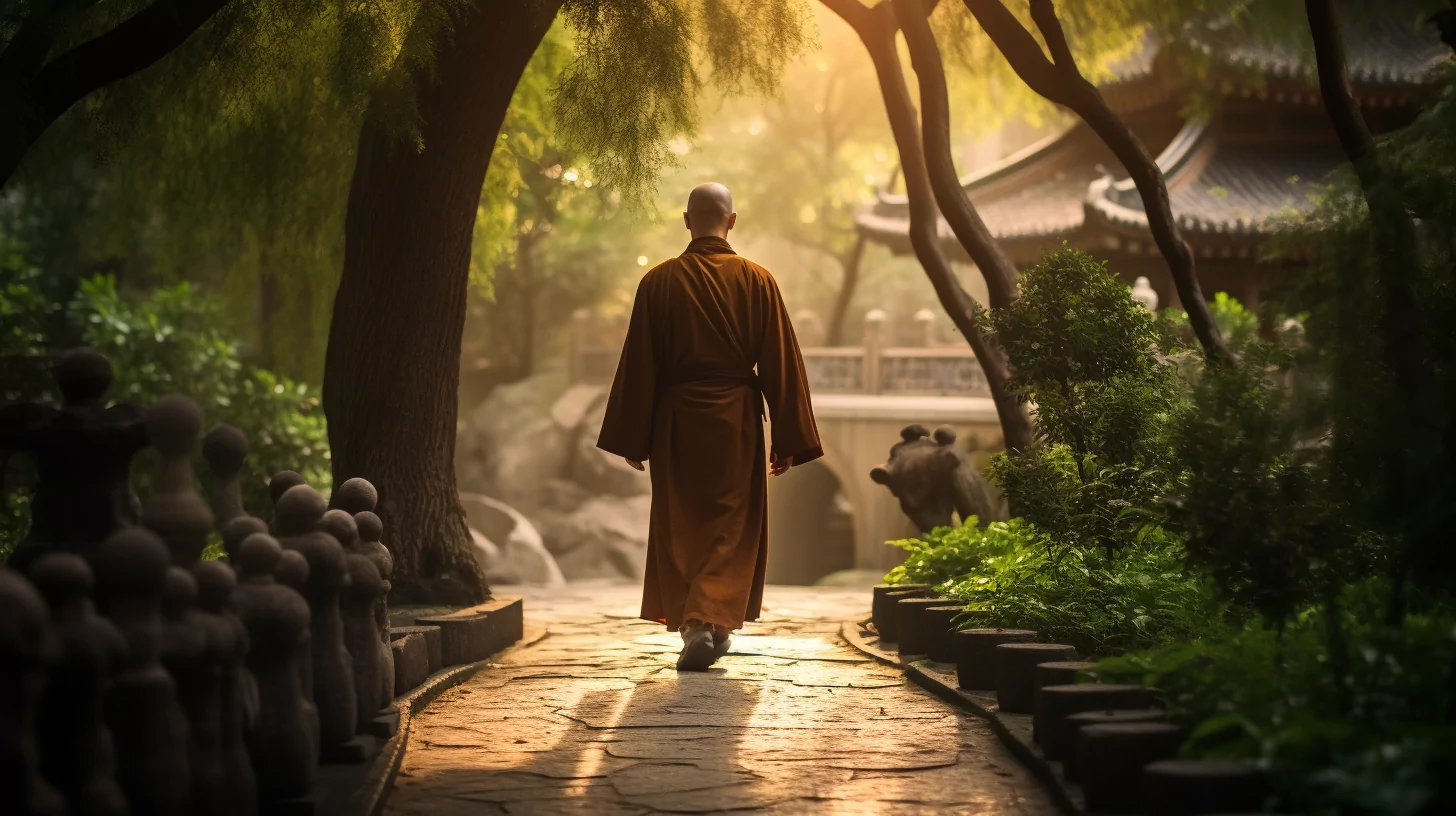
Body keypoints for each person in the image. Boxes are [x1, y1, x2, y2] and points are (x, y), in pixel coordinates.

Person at [597, 182, 822, 671]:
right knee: (732, 525)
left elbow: (639, 364)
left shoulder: (658, 282)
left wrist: (632, 436)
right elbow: (781, 362)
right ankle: (711, 620)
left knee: (681, 523)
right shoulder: (757, 280)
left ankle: (698, 625)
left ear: (686, 220)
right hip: (736, 421)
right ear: (732, 221)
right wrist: (788, 439)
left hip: (675, 420)